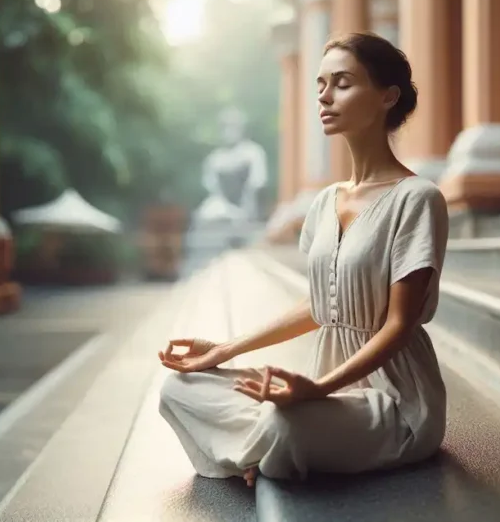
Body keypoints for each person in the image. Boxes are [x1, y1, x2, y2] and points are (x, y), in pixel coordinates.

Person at [157, 32, 449, 488]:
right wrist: (224, 349)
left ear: (387, 97)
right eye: (320, 84)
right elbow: (319, 305)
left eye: (343, 83)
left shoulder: (418, 198)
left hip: (394, 401)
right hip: (324, 392)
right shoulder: (325, 201)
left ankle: (263, 450)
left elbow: (400, 325)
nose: (325, 96)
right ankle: (267, 454)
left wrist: (318, 389)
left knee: (282, 424)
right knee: (180, 388)